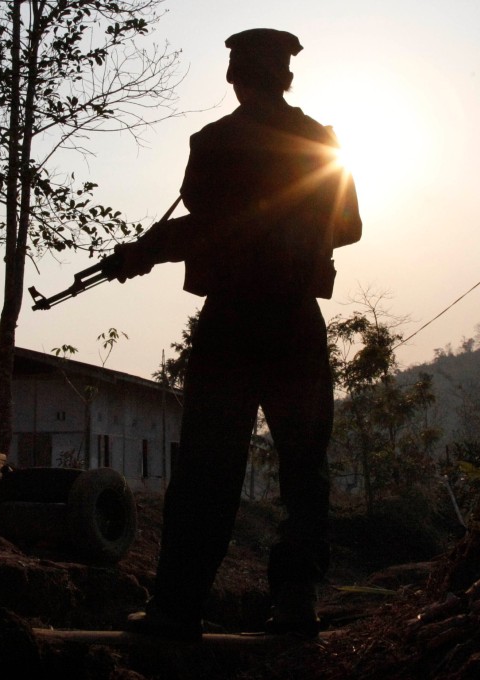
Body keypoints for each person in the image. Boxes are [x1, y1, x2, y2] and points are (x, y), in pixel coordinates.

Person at [113, 28, 362, 641]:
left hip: (232, 323)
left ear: (235, 78)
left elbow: (205, 228)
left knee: (206, 469)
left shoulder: (214, 143)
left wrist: (144, 253)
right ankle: (295, 602)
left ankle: (177, 608)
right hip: (296, 323)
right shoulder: (323, 143)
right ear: (287, 77)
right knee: (305, 470)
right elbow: (350, 227)